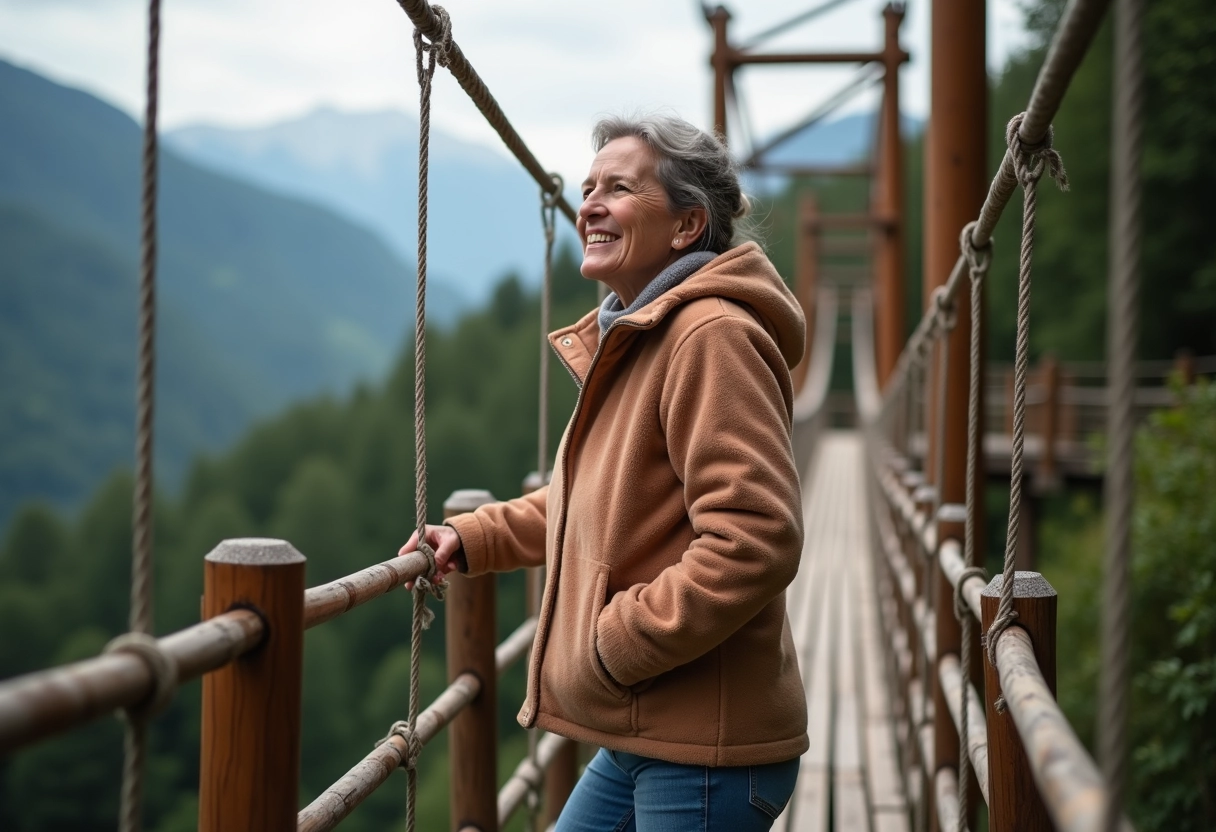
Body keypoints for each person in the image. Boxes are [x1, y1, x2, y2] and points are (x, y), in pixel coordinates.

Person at [399, 113, 808, 831]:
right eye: (587, 187)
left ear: (686, 227)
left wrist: (612, 646)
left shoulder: (710, 337)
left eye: (617, 189)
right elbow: (593, 500)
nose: (587, 204)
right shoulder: (646, 331)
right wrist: (474, 537)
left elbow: (757, 538)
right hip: (645, 728)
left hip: (701, 751)